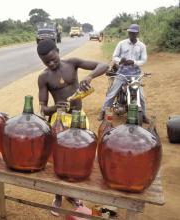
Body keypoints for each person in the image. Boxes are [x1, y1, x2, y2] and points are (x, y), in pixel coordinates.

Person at [37, 39, 108, 216]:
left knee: (77, 157)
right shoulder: (44, 77)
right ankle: (58, 196)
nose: (51, 64)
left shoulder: (73, 64)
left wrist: (89, 76)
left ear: (58, 51)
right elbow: (43, 109)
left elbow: (104, 65)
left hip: (79, 118)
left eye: (53, 59)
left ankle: (74, 195)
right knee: (58, 159)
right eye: (47, 62)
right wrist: (55, 107)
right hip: (59, 120)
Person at [97, 24, 148, 122]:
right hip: (122, 73)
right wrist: (120, 61)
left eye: (133, 32)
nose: (131, 34)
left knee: (141, 96)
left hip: (136, 75)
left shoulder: (142, 46)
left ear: (137, 33)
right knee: (112, 93)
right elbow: (115, 57)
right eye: (130, 32)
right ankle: (103, 112)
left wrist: (134, 62)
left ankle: (144, 115)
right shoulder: (121, 43)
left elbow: (144, 60)